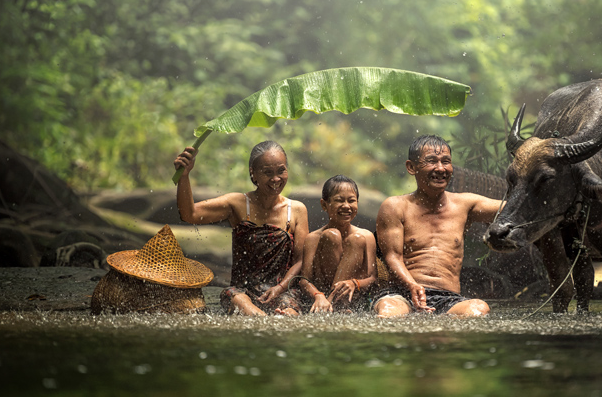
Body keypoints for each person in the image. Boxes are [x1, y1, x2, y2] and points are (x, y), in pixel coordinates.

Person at [374, 135, 503, 317]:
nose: (441, 168)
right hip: (402, 295)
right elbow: (392, 257)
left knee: (478, 310)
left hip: (449, 299)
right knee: (389, 312)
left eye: (446, 161)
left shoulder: (465, 204)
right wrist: (412, 285)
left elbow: (509, 208)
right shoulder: (395, 206)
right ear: (411, 167)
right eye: (431, 161)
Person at [174, 140, 309, 315]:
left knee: (289, 315)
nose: (276, 179)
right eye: (267, 172)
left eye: (281, 171)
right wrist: (184, 176)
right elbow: (189, 214)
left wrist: (280, 288)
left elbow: (301, 261)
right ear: (253, 174)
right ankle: (259, 318)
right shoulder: (237, 204)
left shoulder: (297, 210)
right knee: (237, 299)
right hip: (242, 293)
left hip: (283, 292)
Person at [298, 175, 377, 313]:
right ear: (324, 205)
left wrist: (354, 283)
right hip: (323, 296)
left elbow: (372, 278)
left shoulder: (366, 236)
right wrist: (318, 296)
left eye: (351, 200)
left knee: (356, 239)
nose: (346, 206)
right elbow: (304, 280)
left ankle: (335, 304)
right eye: (339, 200)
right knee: (330, 235)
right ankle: (332, 304)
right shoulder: (312, 238)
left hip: (352, 299)